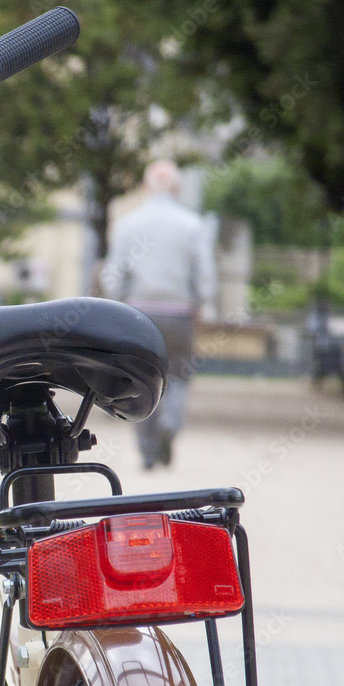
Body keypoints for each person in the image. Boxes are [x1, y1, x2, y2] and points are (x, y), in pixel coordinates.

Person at [100, 160, 216, 468]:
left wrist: (118, 305)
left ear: (144, 187)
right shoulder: (193, 225)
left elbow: (113, 276)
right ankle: (170, 424)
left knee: (140, 381)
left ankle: (147, 452)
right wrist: (201, 304)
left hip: (139, 315)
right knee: (178, 376)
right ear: (176, 189)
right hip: (179, 314)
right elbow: (204, 274)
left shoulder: (128, 224)